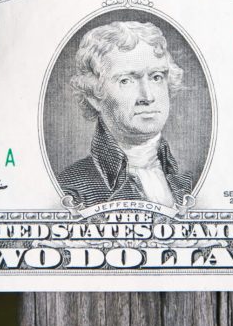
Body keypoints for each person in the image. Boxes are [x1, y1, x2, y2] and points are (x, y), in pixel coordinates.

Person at [58, 20, 194, 206]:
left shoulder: (187, 182)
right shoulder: (71, 188)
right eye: (126, 80)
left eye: (156, 77)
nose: (147, 96)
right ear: (94, 96)